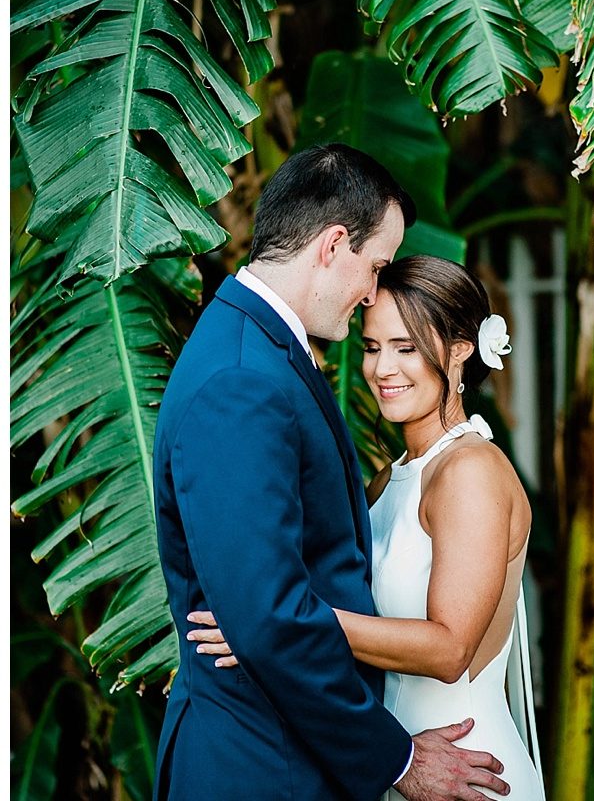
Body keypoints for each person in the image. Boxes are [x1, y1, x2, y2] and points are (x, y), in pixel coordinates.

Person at [151, 144, 510, 801]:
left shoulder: (261, 354)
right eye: (375, 267)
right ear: (333, 245)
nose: (374, 291)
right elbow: (269, 616)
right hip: (261, 767)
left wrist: (270, 619)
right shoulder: (242, 379)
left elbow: (278, 606)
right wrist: (398, 760)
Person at [189, 255, 547, 800]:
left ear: (459, 351)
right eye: (374, 347)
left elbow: (450, 649)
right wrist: (262, 625)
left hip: (469, 772)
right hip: (404, 767)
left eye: (406, 349)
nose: (382, 369)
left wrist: (276, 625)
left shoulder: (470, 471)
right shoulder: (387, 480)